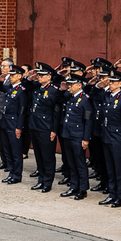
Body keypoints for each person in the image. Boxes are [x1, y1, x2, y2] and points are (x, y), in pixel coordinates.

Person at [21, 63, 62, 193]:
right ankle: (41, 180)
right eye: (39, 74)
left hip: (46, 127)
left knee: (47, 156)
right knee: (38, 155)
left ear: (49, 77)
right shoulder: (36, 87)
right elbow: (25, 86)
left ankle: (48, 182)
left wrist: (54, 130)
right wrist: (29, 78)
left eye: (42, 75)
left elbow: (57, 112)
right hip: (35, 125)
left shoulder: (54, 90)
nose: (39, 77)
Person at [99, 71, 121, 207]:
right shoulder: (107, 96)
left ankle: (120, 196)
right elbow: (96, 95)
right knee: (110, 168)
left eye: (113, 82)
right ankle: (112, 194)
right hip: (107, 135)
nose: (110, 84)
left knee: (118, 169)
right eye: (110, 82)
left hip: (117, 137)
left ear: (119, 83)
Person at [60, 74, 93, 199]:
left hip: (78, 135)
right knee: (71, 162)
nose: (69, 87)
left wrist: (86, 139)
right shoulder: (70, 97)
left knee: (80, 163)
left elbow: (88, 120)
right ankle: (74, 186)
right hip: (68, 134)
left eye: (72, 85)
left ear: (79, 85)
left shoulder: (85, 99)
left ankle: (82, 189)